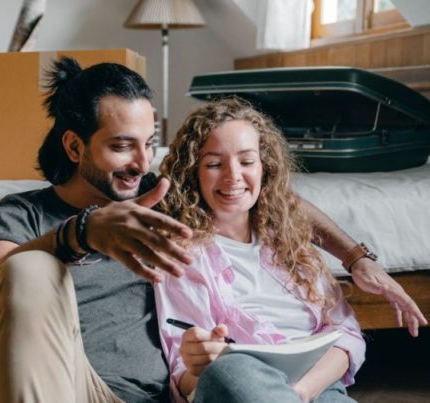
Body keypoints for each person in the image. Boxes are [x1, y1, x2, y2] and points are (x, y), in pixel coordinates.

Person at [0, 57, 427, 402]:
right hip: (73, 387)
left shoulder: (158, 194)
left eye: (149, 144)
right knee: (30, 268)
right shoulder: (23, 213)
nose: (140, 163)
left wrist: (356, 257)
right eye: (120, 146)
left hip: (163, 394)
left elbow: (268, 197)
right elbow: (2, 288)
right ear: (74, 145)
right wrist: (82, 234)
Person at [155, 98, 366, 403]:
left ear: (265, 166)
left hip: (315, 386)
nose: (232, 176)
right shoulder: (181, 255)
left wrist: (301, 392)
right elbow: (185, 378)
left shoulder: (292, 241)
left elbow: (348, 335)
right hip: (242, 387)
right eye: (214, 164)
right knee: (227, 371)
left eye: (246, 161)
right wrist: (199, 361)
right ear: (193, 173)